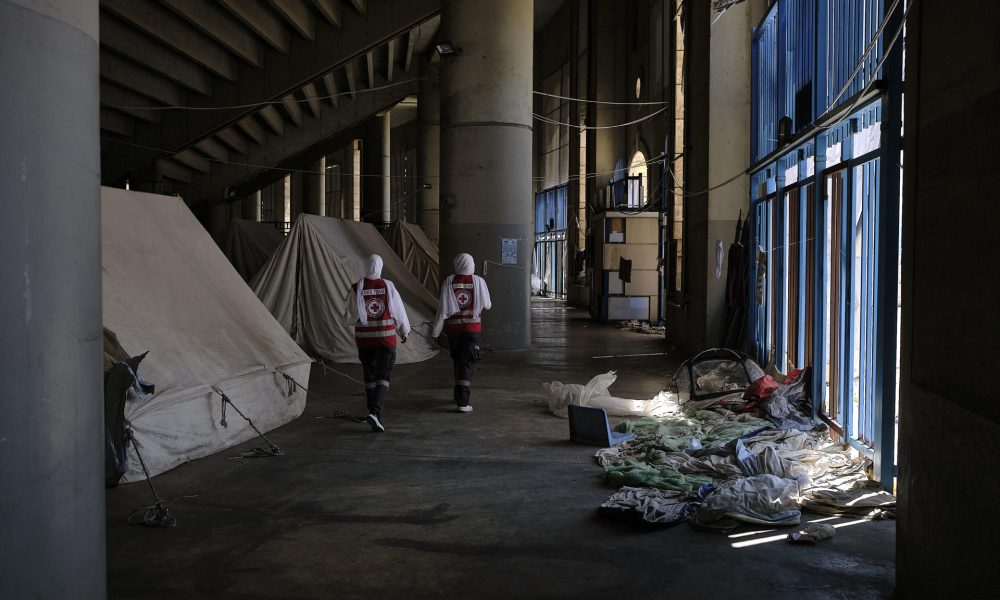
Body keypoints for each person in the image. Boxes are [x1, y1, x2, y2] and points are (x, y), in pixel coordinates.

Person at [353, 254, 410, 432]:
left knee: (369, 376)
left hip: (364, 341)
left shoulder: (357, 287)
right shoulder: (387, 285)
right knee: (383, 376)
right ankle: (375, 414)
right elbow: (399, 312)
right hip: (385, 339)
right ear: (380, 266)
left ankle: (372, 411)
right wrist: (404, 330)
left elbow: (348, 315)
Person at [432, 253, 491, 412]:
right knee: (467, 363)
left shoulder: (449, 281)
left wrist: (435, 333)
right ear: (471, 264)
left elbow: (442, 309)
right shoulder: (478, 281)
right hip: (472, 331)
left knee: (459, 361)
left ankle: (459, 395)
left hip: (454, 331)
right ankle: (463, 402)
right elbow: (488, 305)